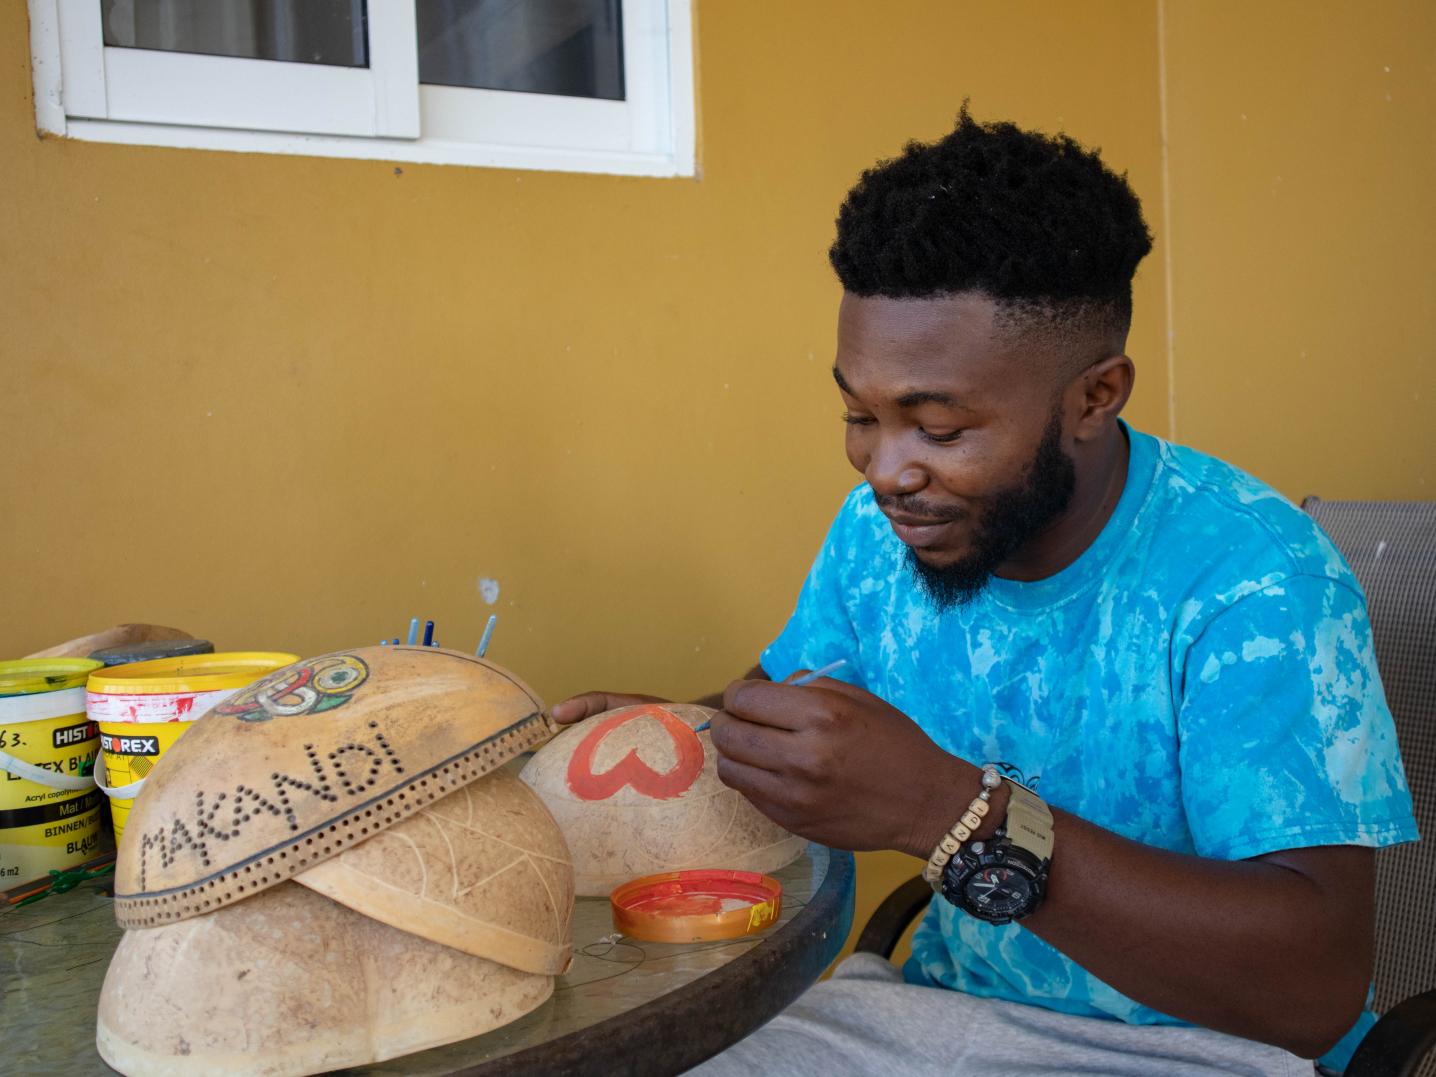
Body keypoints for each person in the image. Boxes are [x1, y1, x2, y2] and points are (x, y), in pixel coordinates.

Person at [550, 109, 1417, 1076]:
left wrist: (950, 810)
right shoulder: (878, 535)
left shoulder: (1255, 583)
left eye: (940, 427)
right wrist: (682, 734)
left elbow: (1311, 988)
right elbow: (790, 720)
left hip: (1203, 1051)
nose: (885, 469)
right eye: (859, 413)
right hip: (934, 1013)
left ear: (1097, 396)